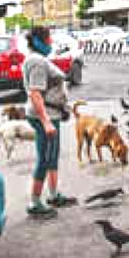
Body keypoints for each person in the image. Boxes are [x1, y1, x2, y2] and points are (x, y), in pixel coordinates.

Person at [22, 26, 77, 217]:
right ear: (38, 41)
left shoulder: (38, 59)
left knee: (51, 157)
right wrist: (46, 122)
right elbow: (35, 93)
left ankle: (53, 196)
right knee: (44, 159)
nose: (51, 43)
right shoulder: (36, 61)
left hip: (53, 114)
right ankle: (34, 203)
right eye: (48, 39)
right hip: (45, 117)